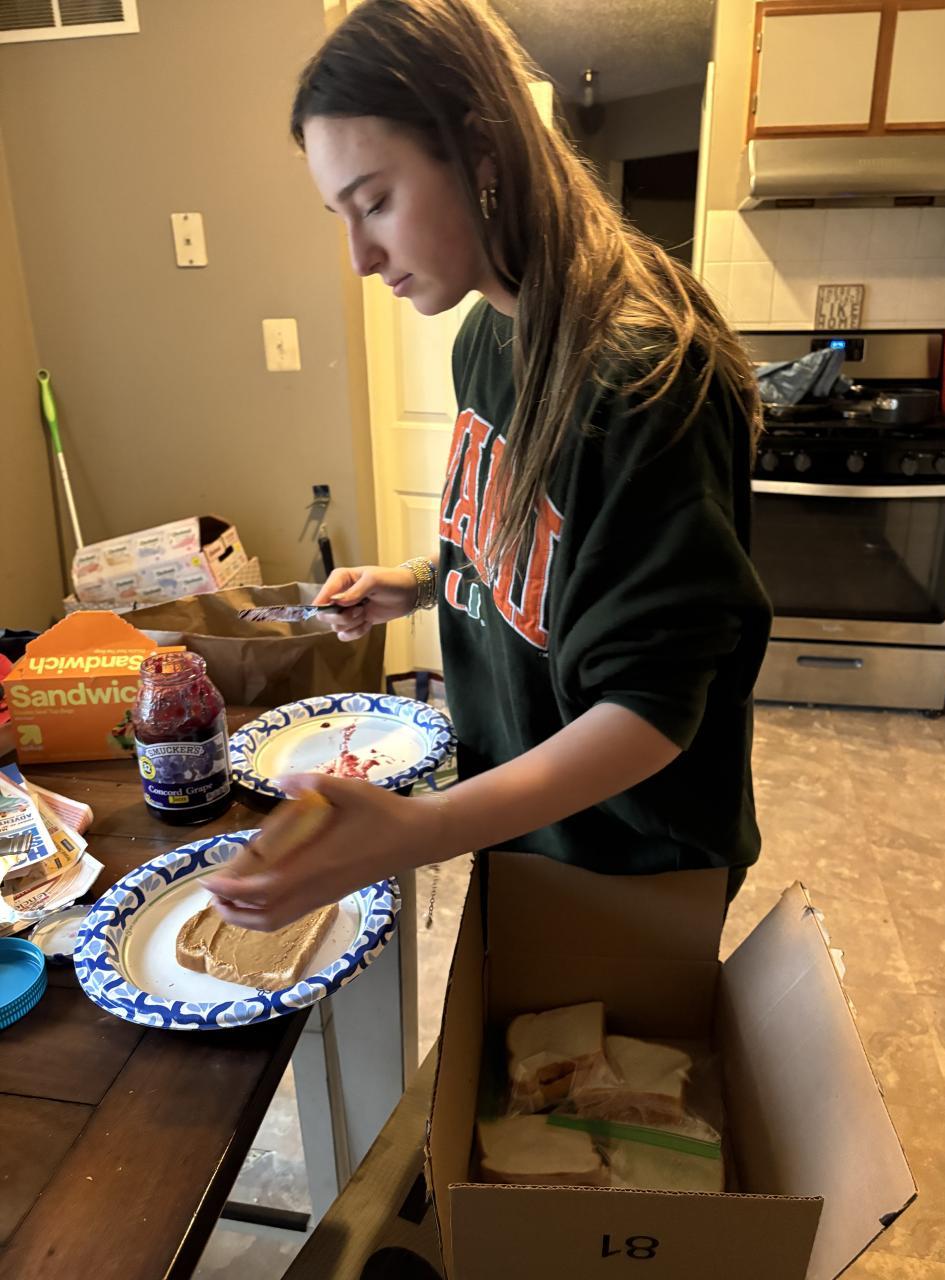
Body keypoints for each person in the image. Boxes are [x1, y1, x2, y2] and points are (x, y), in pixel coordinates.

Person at [206, 0, 772, 933]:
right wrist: (423, 580)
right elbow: (541, 548)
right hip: (534, 827)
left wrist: (419, 830)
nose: (359, 257)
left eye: (375, 203)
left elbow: (651, 709)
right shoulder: (486, 334)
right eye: (340, 215)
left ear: (481, 150)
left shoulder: (641, 373)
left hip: (633, 860)